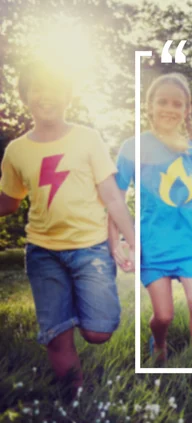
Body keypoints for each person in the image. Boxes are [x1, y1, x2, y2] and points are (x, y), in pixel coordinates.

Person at [0, 62, 135, 395]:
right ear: (25, 96)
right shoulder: (16, 151)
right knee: (56, 336)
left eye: (56, 88)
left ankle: (80, 304)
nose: (47, 96)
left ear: (68, 95)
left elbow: (113, 199)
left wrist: (134, 243)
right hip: (43, 253)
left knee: (98, 332)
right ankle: (74, 399)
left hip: (90, 249)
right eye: (38, 89)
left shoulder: (87, 139)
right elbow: (10, 201)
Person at [110, 73, 192, 388]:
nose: (169, 108)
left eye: (177, 103)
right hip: (151, 242)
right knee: (164, 316)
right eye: (162, 101)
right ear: (150, 106)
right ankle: (159, 342)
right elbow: (115, 196)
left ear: (185, 110)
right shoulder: (132, 147)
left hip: (187, 239)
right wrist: (116, 241)